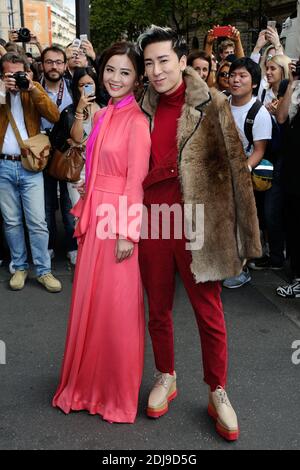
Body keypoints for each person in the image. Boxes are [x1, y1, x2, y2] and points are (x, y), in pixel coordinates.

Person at [137, 26, 261, 441]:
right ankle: (166, 374)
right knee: (157, 308)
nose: (156, 71)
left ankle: (218, 390)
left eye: (163, 61)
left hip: (199, 224)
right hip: (153, 222)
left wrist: (246, 237)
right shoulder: (140, 106)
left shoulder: (214, 103)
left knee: (209, 313)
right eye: (149, 63)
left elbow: (237, 172)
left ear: (183, 61)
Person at [52, 42, 151, 423]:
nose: (115, 78)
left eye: (125, 72)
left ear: (137, 79)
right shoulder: (106, 113)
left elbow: (135, 181)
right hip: (97, 214)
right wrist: (88, 188)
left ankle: (113, 393)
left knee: (116, 308)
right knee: (92, 304)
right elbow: (96, 161)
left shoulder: (137, 122)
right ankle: (86, 384)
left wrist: (128, 231)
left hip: (118, 221)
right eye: (111, 69)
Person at [0, 52, 61, 292]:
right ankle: (20, 266)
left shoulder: (33, 89)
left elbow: (54, 115)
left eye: (19, 73)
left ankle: (44, 271)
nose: (15, 78)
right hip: (3, 165)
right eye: (9, 73)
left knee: (37, 222)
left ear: (27, 71)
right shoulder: (0, 91)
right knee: (12, 221)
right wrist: (3, 90)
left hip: (30, 165)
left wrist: (32, 88)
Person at [222, 57, 272, 288]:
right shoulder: (220, 102)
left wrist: (243, 172)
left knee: (240, 223)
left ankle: (240, 269)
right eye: (233, 75)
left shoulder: (258, 113)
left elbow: (259, 150)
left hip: (242, 174)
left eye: (242, 76)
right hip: (217, 173)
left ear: (253, 83)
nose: (235, 79)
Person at [40, 46, 77, 265]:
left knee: (69, 203)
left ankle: (73, 246)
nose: (54, 66)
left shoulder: (74, 88)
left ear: (65, 65)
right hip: (42, 154)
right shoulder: (34, 88)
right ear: (42, 64)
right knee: (45, 204)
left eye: (58, 62)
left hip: (67, 154)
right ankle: (50, 244)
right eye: (49, 62)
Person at [52, 66, 101, 206]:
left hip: (101, 167)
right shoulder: (69, 112)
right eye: (82, 85)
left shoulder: (105, 107)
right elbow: (77, 138)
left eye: (90, 84)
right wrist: (80, 110)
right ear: (76, 87)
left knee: (99, 214)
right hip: (78, 168)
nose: (87, 88)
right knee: (79, 216)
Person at [276, 58, 300, 298]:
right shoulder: (295, 88)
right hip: (294, 171)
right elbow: (282, 117)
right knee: (293, 225)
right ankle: (297, 277)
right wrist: (293, 83)